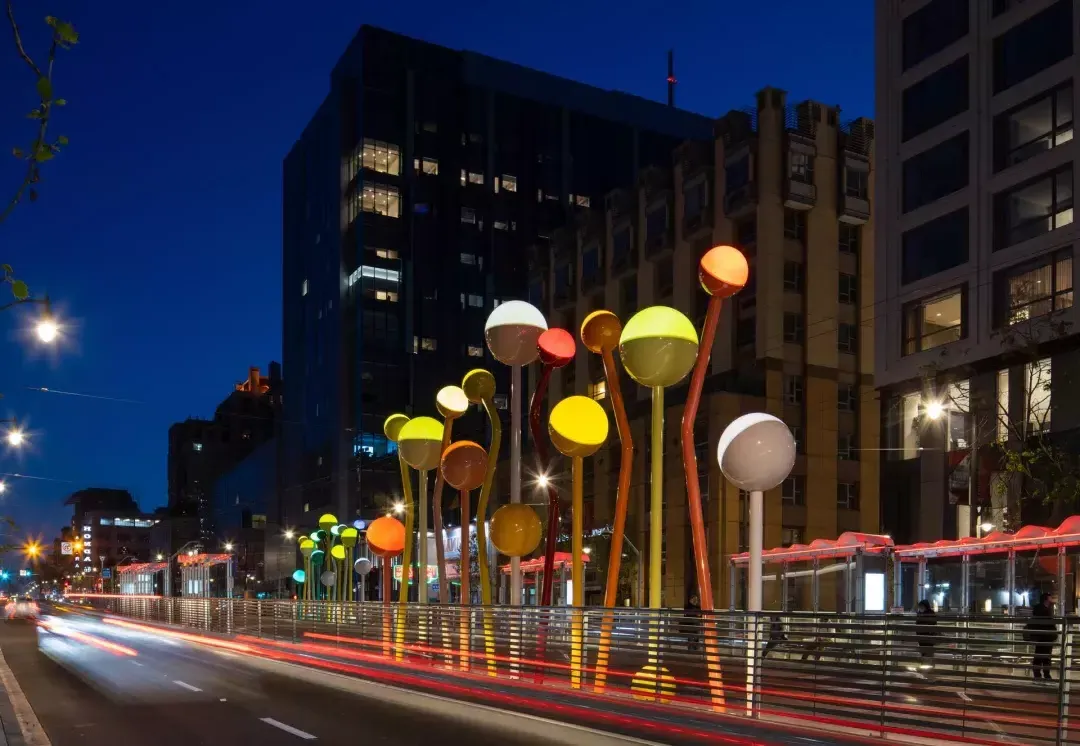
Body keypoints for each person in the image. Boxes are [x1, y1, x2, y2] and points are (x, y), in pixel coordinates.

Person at [1025, 592, 1057, 682]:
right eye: (1050, 597)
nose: (1052, 599)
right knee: (1044, 657)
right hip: (1045, 636)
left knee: (1040, 656)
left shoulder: (1040, 608)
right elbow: (1048, 622)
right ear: (1046, 599)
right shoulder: (1044, 609)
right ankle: (1043, 675)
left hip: (1043, 636)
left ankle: (1040, 675)